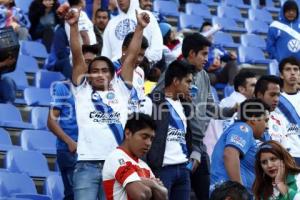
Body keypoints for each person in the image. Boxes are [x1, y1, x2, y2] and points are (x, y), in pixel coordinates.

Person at [65, 6, 149, 199]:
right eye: (95, 70)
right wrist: (74, 26)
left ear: (112, 75)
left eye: (105, 70)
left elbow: (131, 57)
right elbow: (77, 54)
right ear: (88, 74)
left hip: (115, 165)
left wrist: (140, 28)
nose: (100, 74)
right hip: (86, 164)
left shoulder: (121, 88)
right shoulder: (82, 89)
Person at [154, 32, 237, 200]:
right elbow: (156, 97)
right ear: (192, 54)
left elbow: (210, 109)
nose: (207, 58)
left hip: (199, 146)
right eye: (204, 54)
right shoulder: (174, 72)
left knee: (206, 194)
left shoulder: (204, 76)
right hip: (178, 145)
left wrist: (231, 110)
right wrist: (177, 97)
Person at [47, 43, 99, 200]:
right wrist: (70, 142)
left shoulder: (99, 91)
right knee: (75, 195)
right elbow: (51, 121)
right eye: (86, 61)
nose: (89, 66)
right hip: (70, 150)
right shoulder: (62, 88)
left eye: (92, 62)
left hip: (91, 152)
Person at [143, 60, 195, 200]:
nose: (191, 86)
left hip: (183, 169)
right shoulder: (152, 102)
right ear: (176, 81)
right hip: (161, 170)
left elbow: (188, 136)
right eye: (188, 82)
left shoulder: (185, 105)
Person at [210, 98, 270, 194]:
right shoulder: (243, 129)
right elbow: (230, 154)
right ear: (253, 119)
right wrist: (239, 192)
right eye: (266, 120)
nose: (267, 126)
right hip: (229, 194)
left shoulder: (245, 132)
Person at [102, 112, 168, 200]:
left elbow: (164, 196)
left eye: (151, 139)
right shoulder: (116, 157)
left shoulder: (144, 165)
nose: (148, 143)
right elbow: (141, 194)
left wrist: (140, 181)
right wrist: (152, 183)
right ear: (128, 133)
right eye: (144, 137)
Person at [204, 71, 257, 158]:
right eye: (253, 85)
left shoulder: (230, 101)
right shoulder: (234, 104)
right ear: (241, 89)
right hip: (219, 157)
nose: (257, 88)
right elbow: (226, 136)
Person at [113, 32, 149, 112]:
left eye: (142, 55)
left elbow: (140, 100)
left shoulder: (140, 72)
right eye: (136, 54)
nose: (139, 59)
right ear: (124, 49)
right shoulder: (110, 69)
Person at [200, 21, 240, 86]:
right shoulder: (199, 48)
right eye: (208, 32)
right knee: (208, 78)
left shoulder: (217, 46)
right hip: (208, 73)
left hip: (220, 73)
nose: (210, 34)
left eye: (212, 32)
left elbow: (225, 56)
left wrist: (231, 56)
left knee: (233, 63)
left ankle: (233, 89)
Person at [278, 56, 300, 124]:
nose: (292, 73)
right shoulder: (276, 99)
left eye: (295, 69)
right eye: (288, 69)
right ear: (281, 75)